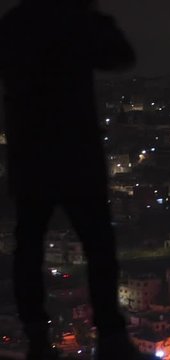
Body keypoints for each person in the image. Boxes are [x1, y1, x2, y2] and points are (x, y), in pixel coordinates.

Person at [0, 0, 141, 358]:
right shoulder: (75, 18)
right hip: (76, 152)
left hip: (30, 152)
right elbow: (120, 56)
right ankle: (110, 336)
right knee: (98, 247)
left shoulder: (16, 22)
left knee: (29, 248)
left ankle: (37, 339)